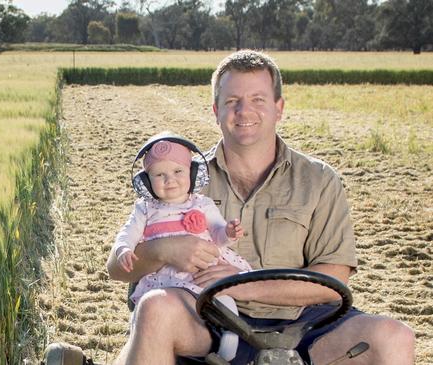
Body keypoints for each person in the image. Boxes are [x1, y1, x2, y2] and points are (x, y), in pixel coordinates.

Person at [106, 50, 415, 365]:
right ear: (215, 110)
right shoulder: (180, 178)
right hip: (207, 318)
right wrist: (163, 250)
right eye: (232, 101)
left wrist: (246, 285)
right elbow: (117, 269)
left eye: (258, 99)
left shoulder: (319, 180)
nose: (244, 111)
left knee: (394, 337)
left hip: (305, 324)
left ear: (279, 108)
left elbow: (333, 278)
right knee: (155, 308)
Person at [112, 134, 253, 360]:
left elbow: (217, 233)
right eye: (160, 175)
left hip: (203, 270)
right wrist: (124, 249)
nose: (170, 180)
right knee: (149, 309)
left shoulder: (202, 204)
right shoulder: (145, 209)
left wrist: (228, 232)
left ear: (192, 173)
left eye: (178, 172)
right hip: (166, 278)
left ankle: (230, 334)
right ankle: (140, 336)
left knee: (222, 294)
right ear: (146, 182)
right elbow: (127, 234)